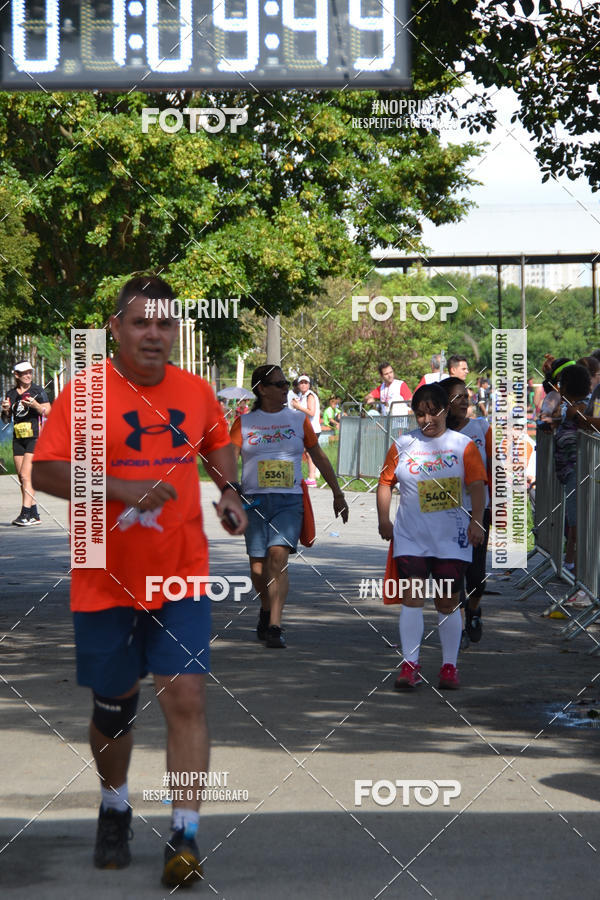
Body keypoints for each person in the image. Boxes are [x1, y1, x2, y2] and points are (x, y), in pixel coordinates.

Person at [32, 276, 247, 888]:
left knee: (186, 697)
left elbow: (217, 443)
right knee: (115, 709)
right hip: (103, 573)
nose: (154, 333)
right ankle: (115, 803)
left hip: (180, 572)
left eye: (164, 323)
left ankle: (184, 834)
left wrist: (228, 491)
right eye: (141, 323)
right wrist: (118, 488)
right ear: (116, 328)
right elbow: (45, 469)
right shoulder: (86, 393)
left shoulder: (195, 390)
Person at [377, 383, 486, 690]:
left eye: (433, 412)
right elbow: (385, 483)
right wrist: (384, 519)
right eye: (420, 413)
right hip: (411, 536)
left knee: (447, 601)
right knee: (412, 598)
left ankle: (449, 667)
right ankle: (410, 664)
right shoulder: (402, 444)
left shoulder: (463, 445)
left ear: (445, 409)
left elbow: (477, 485)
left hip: (452, 538)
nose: (427, 419)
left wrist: (477, 521)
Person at [230, 365, 348, 647]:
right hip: (254, 500)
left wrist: (337, 492)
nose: (287, 388)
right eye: (280, 384)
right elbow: (228, 459)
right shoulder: (244, 424)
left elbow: (318, 456)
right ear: (262, 389)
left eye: (286, 383)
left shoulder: (298, 420)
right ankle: (266, 608)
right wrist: (228, 489)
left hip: (289, 500)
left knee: (278, 557)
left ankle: (275, 626)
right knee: (258, 568)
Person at [440, 377, 492, 648]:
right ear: (444, 403)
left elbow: (496, 466)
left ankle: (473, 609)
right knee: (452, 572)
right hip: (447, 511)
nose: (463, 401)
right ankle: (458, 625)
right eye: (457, 396)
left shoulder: (481, 428)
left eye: (465, 396)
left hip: (478, 509)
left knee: (476, 577)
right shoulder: (436, 431)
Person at [1, 360, 51, 525]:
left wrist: (36, 406)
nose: (28, 375)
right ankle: (34, 514)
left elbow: (49, 412)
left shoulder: (38, 391)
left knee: (26, 475)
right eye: (24, 373)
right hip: (18, 439)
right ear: (17, 375)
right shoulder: (11, 393)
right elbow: (6, 419)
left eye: (30, 372)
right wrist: (5, 410)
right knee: (22, 478)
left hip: (35, 438)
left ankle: (24, 514)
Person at [553, 364, 592, 574]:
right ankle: (571, 561)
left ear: (566, 385)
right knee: (573, 519)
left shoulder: (583, 408)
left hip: (580, 472)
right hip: (571, 473)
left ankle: (579, 569)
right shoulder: (570, 407)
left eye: (560, 384)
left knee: (579, 521)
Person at [290, 374, 321, 485]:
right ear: (298, 385)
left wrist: (298, 407)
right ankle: (311, 477)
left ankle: (310, 477)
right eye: (301, 383)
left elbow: (311, 412)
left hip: (312, 428)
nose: (303, 385)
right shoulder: (301, 396)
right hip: (305, 428)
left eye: (305, 383)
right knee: (308, 453)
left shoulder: (310, 396)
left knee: (303, 452)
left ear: (309, 385)